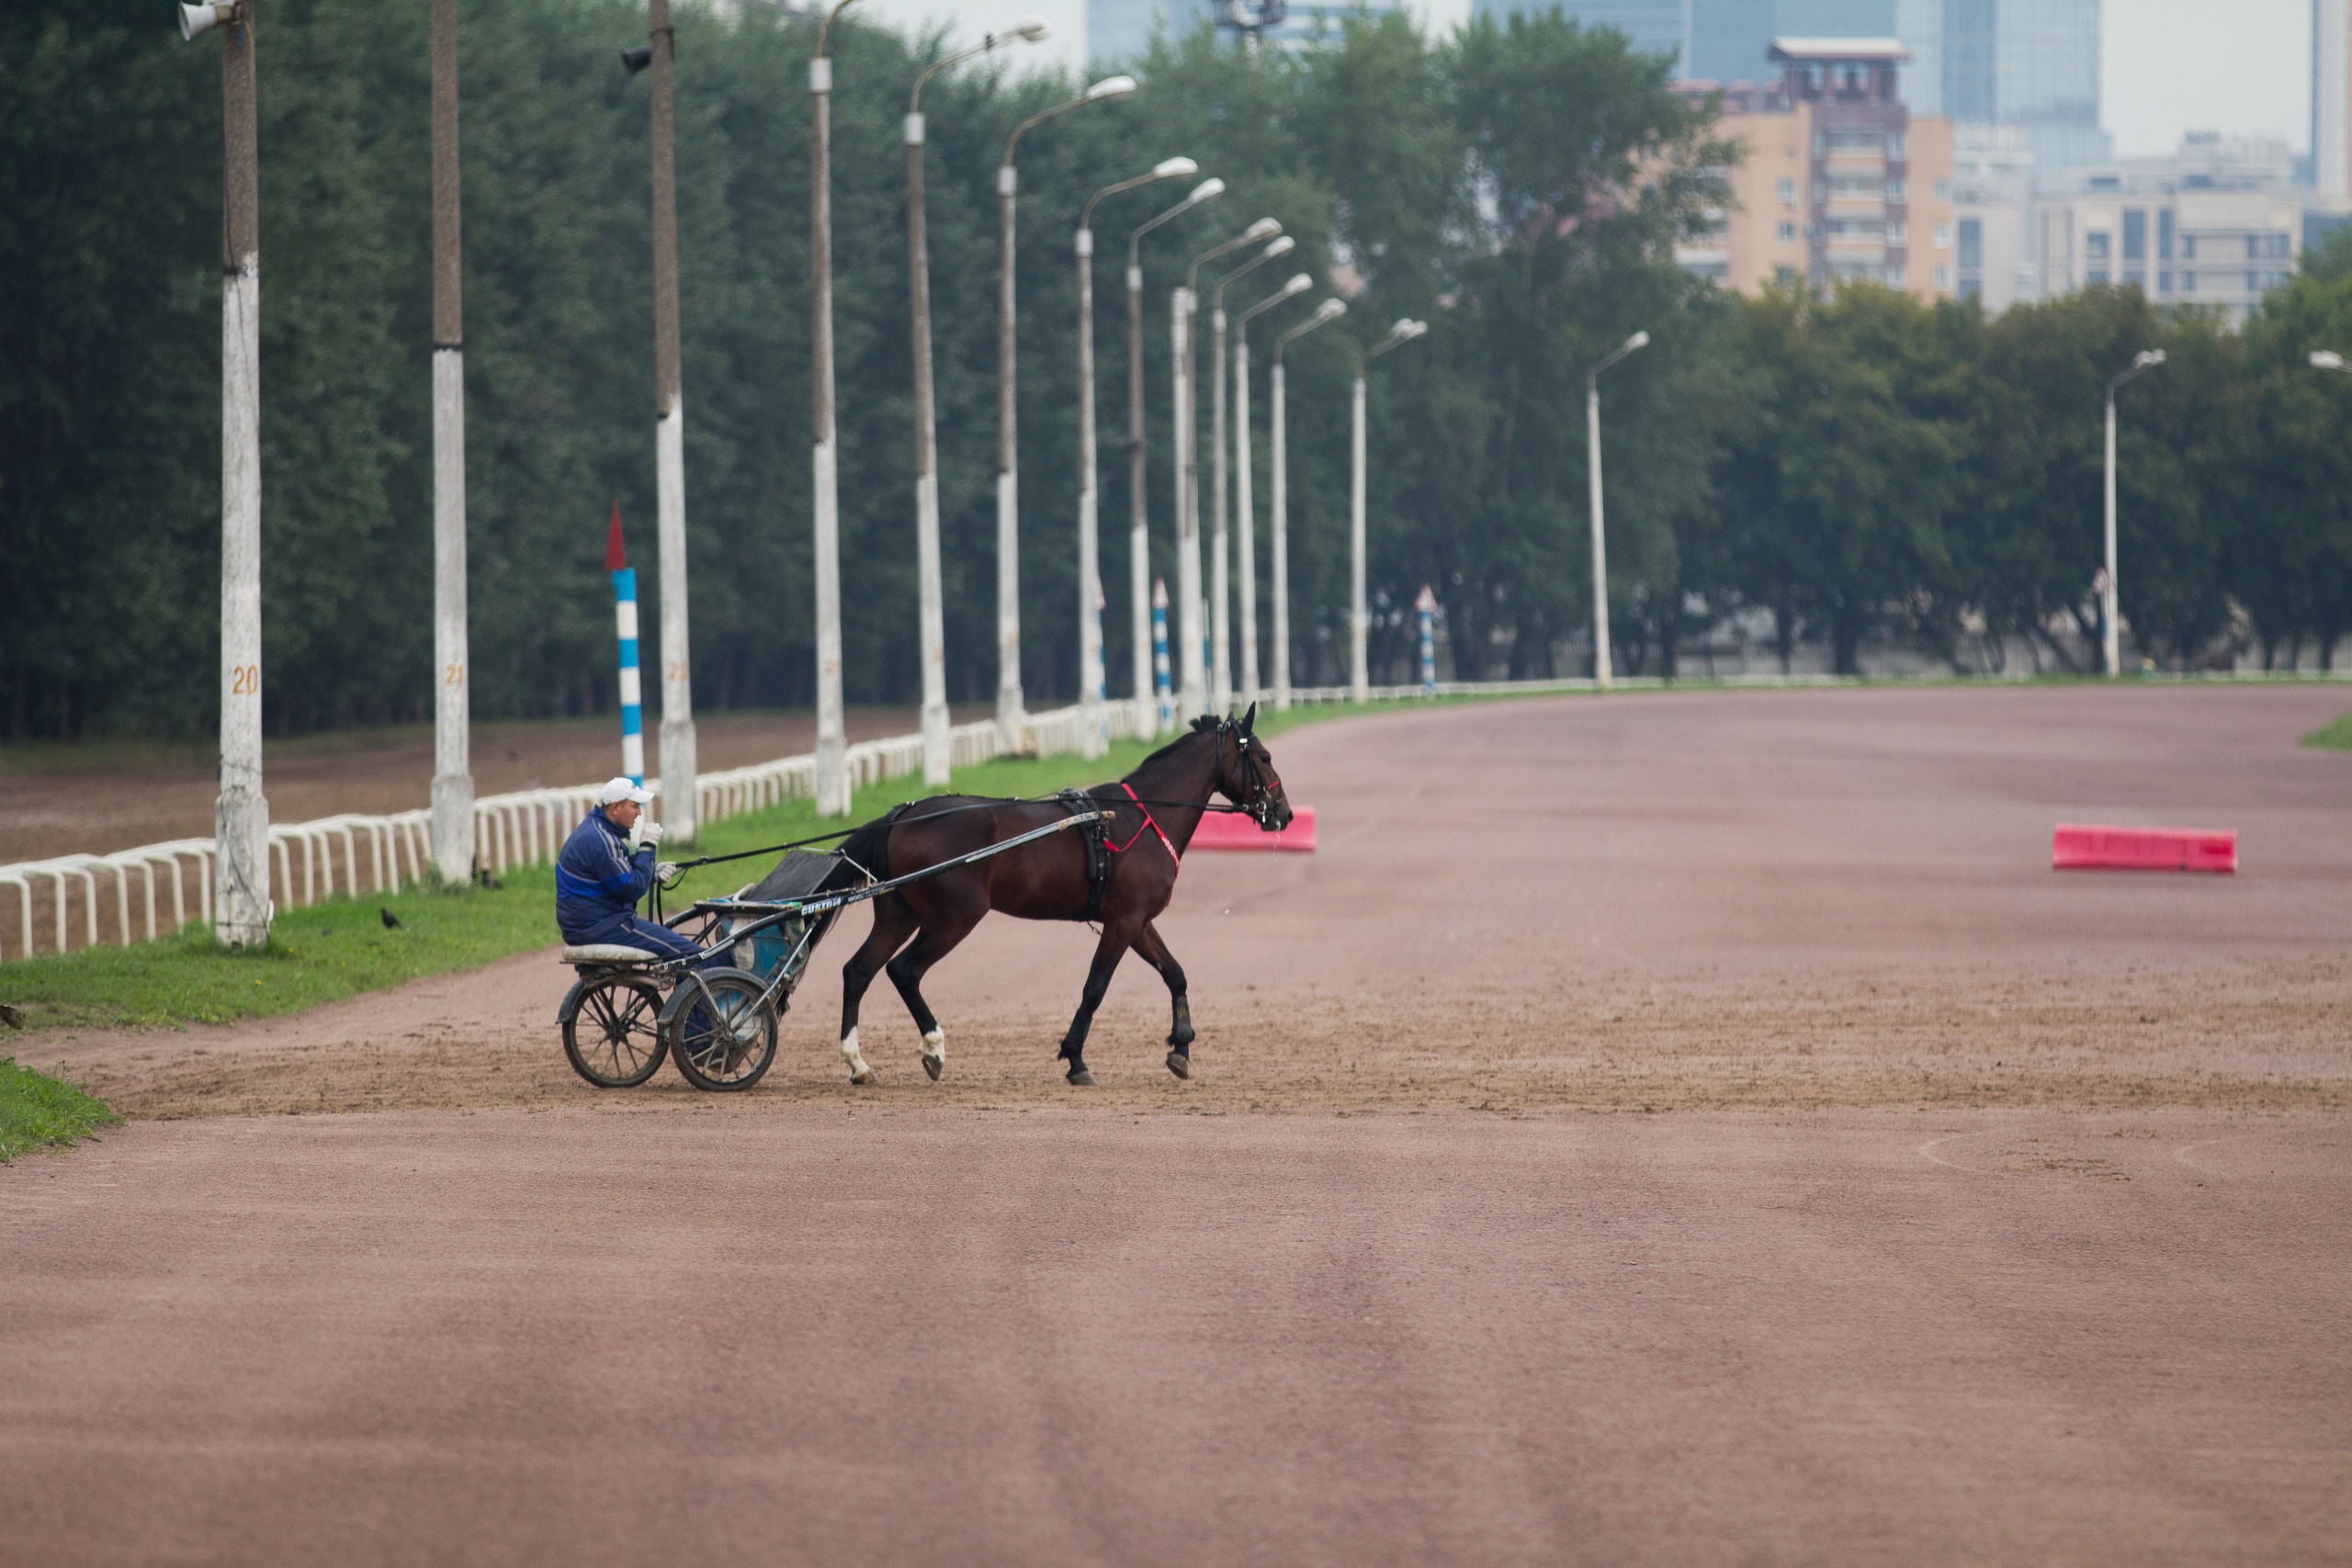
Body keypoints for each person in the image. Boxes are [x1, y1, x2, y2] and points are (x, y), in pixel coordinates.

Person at [555, 777, 705, 964]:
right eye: (634, 806)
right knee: (694, 955)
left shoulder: (594, 830)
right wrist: (648, 847)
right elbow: (631, 888)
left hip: (585, 925)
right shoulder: (601, 839)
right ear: (616, 807)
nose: (639, 813)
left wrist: (651, 871)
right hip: (604, 927)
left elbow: (615, 872)